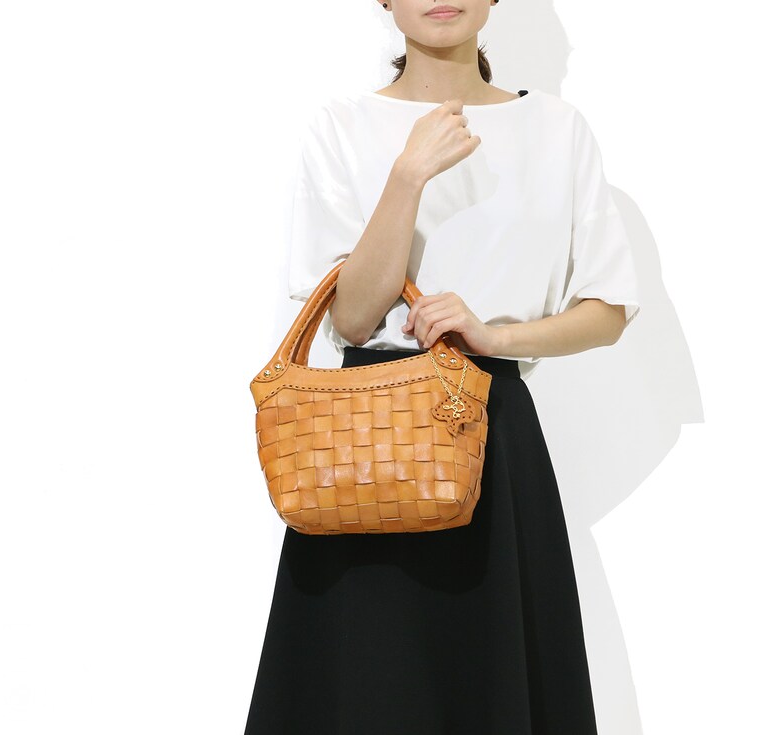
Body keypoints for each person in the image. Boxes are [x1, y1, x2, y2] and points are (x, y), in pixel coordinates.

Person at [245, 1, 641, 733]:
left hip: (493, 429)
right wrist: (408, 176)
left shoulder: (556, 129)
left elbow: (609, 309)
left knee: (486, 679)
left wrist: (491, 335)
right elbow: (352, 318)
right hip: (368, 436)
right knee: (368, 688)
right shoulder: (343, 126)